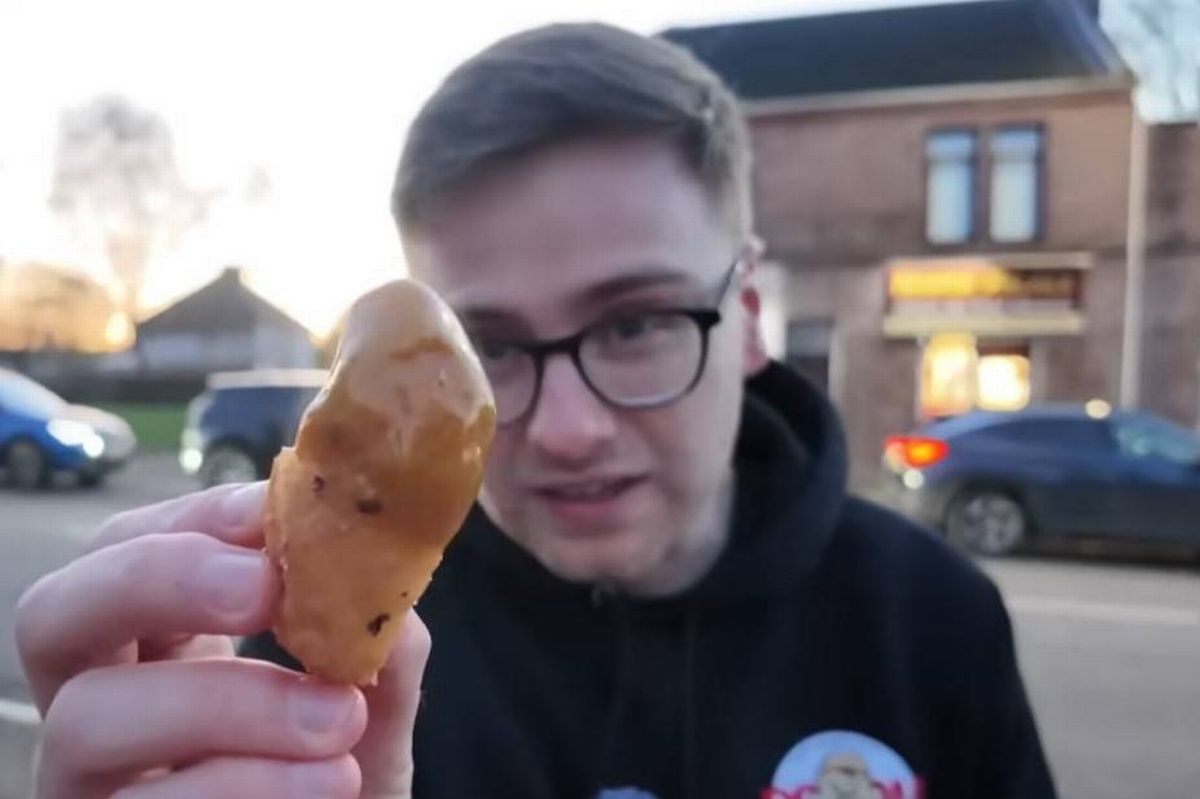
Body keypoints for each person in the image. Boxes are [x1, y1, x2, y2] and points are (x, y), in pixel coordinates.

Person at [16, 22, 1057, 799]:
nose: (564, 430)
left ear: (744, 318)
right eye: (489, 350)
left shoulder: (934, 621)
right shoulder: (322, 679)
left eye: (637, 322)